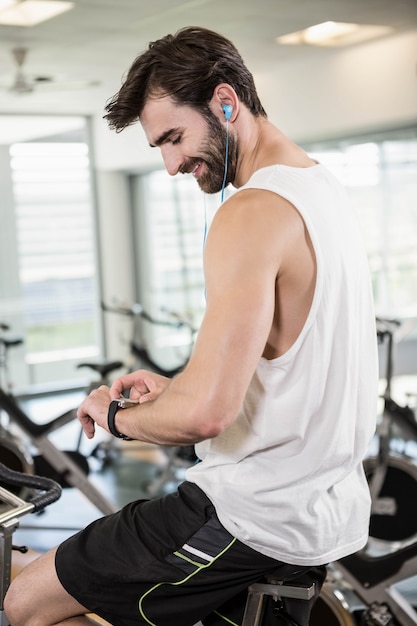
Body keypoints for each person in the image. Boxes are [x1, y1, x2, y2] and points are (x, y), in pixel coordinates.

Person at [5, 26, 378, 626]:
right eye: (159, 146)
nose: (172, 164)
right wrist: (176, 389)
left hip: (250, 514)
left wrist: (114, 416)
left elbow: (205, 418)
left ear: (225, 103)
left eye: (175, 137)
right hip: (321, 515)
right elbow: (284, 366)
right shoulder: (320, 190)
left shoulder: (250, 211)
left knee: (26, 604)